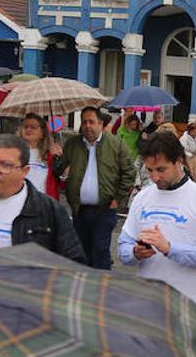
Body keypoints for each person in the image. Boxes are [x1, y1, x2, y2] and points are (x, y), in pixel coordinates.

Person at [118, 132, 196, 310]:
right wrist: (135, 252)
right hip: (147, 304)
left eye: (161, 169)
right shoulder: (142, 197)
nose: (154, 178)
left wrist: (169, 249)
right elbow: (122, 248)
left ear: (179, 161)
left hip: (189, 306)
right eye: (149, 170)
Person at [55, 106, 136, 270]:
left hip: (104, 209)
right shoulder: (73, 144)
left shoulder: (115, 145)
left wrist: (117, 199)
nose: (87, 126)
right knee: (81, 251)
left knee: (100, 251)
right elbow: (57, 169)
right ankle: (83, 287)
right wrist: (56, 154)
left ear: (100, 123)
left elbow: (129, 173)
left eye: (91, 122)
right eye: (84, 122)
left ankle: (102, 288)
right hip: (79, 209)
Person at [18, 113, 63, 199]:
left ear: (42, 133)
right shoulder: (14, 153)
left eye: (33, 127)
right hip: (21, 203)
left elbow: (62, 181)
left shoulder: (50, 154)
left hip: (45, 204)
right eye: (25, 127)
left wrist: (59, 159)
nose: (28, 129)